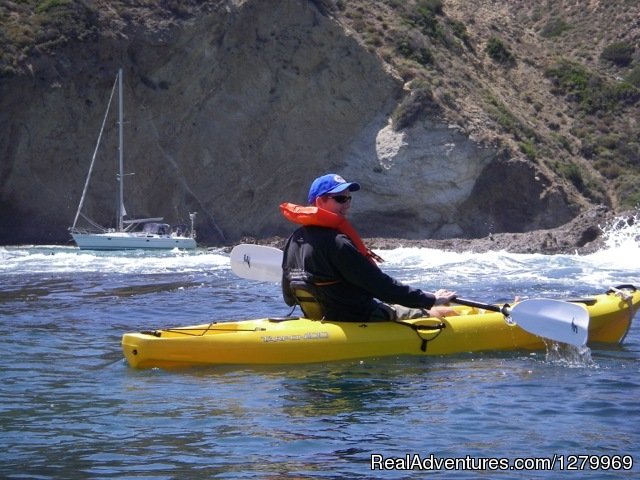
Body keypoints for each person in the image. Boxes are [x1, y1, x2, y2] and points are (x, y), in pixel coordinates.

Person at [280, 173, 457, 322]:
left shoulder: (293, 240)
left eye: (348, 198)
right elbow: (382, 287)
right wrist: (431, 299)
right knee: (445, 314)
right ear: (320, 202)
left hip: (319, 318)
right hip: (359, 317)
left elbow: (289, 298)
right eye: (340, 199)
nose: (347, 204)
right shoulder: (337, 243)